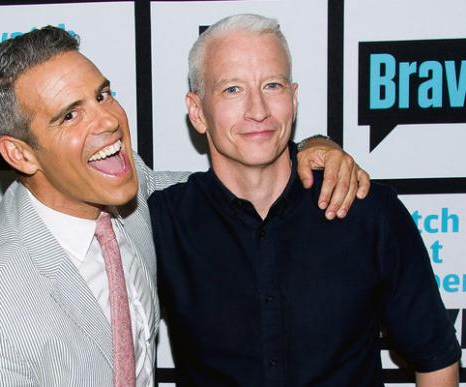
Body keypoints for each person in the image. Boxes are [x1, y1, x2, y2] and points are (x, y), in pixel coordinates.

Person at [0, 26, 368, 386]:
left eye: (102, 95)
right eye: (70, 115)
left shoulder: (124, 185)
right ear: (20, 155)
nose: (107, 121)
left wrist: (310, 148)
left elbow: (222, 187)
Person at [148, 14, 460, 387]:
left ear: (294, 100)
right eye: (232, 89)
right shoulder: (162, 225)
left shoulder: (368, 211)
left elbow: (436, 362)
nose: (258, 109)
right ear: (198, 112)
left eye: (272, 85)